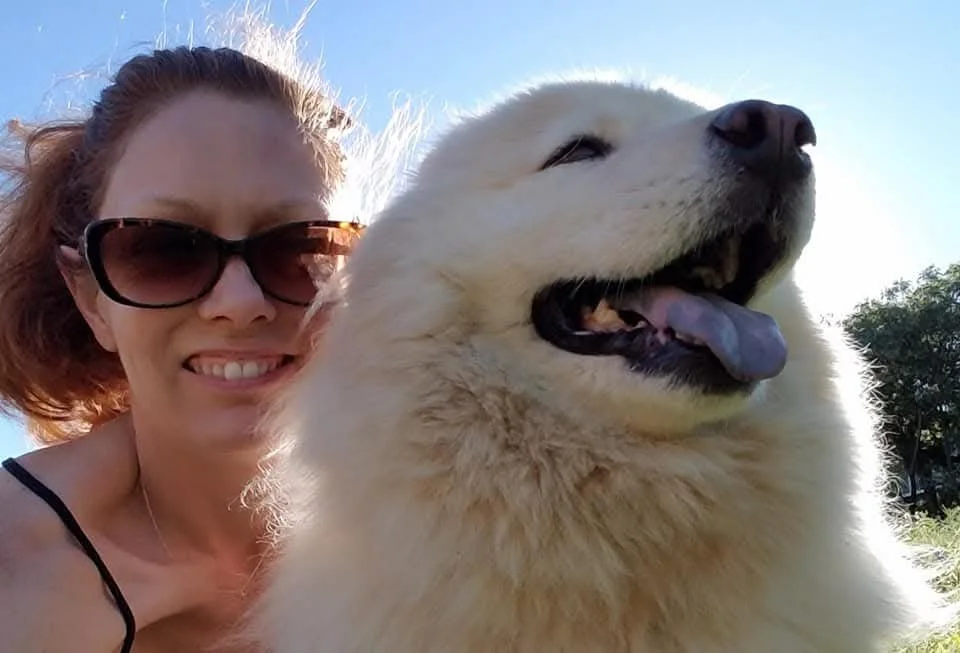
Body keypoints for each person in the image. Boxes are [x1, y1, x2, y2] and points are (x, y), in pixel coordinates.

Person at [0, 34, 364, 652]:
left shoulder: (456, 525)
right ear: (90, 299)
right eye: (162, 249)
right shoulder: (17, 577)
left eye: (300, 247)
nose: (240, 303)